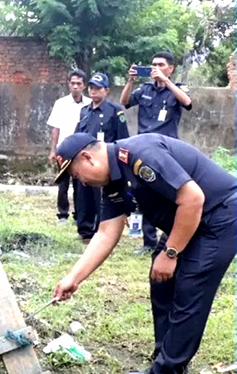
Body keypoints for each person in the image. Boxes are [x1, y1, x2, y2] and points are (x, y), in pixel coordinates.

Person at [51, 133, 237, 374]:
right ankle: (166, 363)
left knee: (189, 294)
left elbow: (194, 199)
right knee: (161, 281)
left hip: (219, 217)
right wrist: (73, 279)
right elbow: (105, 233)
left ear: (87, 157)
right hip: (187, 221)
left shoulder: (140, 155)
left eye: (77, 175)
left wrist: (170, 252)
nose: (82, 182)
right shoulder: (113, 183)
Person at [120, 51, 193, 253]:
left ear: (171, 68)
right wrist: (130, 81)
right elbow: (124, 102)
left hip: (167, 149)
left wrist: (166, 82)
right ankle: (148, 243)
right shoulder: (144, 89)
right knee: (144, 194)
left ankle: (169, 239)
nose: (156, 68)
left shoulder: (176, 89)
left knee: (169, 193)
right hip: (143, 147)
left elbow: (187, 102)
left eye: (161, 65)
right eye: (153, 65)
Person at [73, 73, 130, 242]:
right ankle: (85, 230)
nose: (93, 91)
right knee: (83, 195)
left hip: (104, 162)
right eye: (91, 88)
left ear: (106, 90)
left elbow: (122, 139)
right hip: (84, 161)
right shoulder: (84, 111)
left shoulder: (115, 111)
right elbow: (78, 135)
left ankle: (101, 230)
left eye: (97, 88)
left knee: (102, 197)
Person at [47, 69, 91, 224]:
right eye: (72, 83)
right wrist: (53, 150)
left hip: (82, 151)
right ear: (68, 84)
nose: (75, 87)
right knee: (63, 183)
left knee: (81, 184)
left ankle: (79, 215)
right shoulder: (61, 103)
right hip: (64, 150)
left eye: (79, 83)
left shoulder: (89, 105)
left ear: (84, 86)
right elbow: (55, 128)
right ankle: (62, 214)